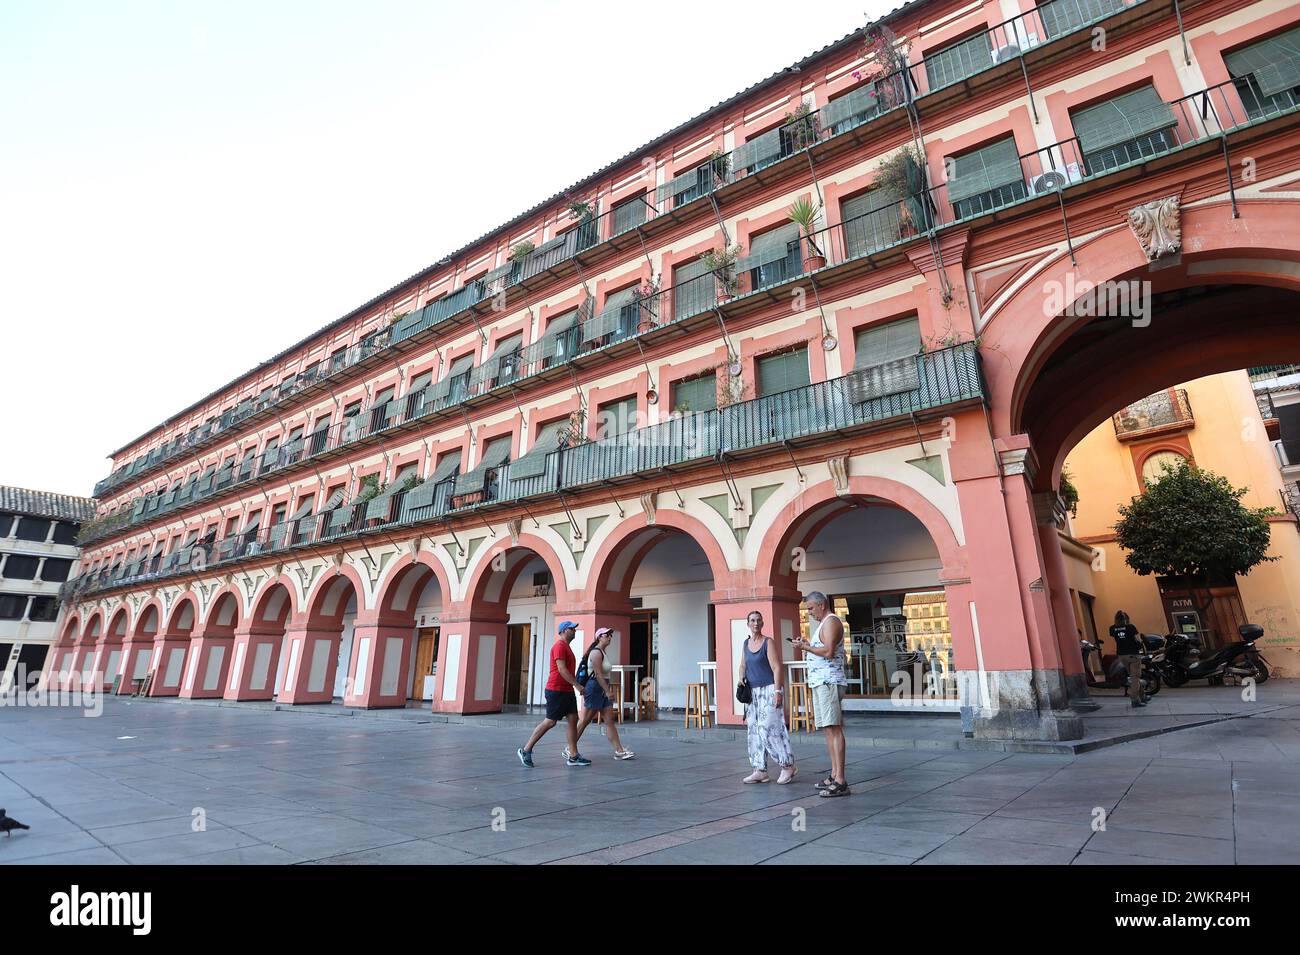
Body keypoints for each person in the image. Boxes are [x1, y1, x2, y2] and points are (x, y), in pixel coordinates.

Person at [792, 591, 849, 797]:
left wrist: (805, 647)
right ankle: (834, 774)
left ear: (822, 605)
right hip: (821, 683)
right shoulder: (823, 624)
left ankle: (841, 780)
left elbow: (829, 652)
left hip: (829, 682)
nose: (809, 613)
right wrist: (808, 644)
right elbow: (823, 648)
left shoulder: (831, 622)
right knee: (827, 729)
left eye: (810, 608)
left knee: (834, 728)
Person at [518, 621, 591, 767]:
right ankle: (526, 749)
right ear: (564, 631)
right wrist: (577, 684)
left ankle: (573, 755)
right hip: (556, 689)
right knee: (551, 721)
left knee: (573, 719)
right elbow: (562, 669)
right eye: (572, 629)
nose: (574, 631)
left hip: (566, 690)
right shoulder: (559, 646)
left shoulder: (566, 647)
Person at [736, 610, 796, 784]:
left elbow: (777, 668)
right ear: (748, 624)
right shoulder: (745, 644)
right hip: (753, 693)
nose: (755, 623)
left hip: (769, 689)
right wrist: (741, 676)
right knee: (754, 730)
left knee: (768, 728)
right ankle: (759, 769)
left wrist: (778, 692)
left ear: (762, 624)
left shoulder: (768, 642)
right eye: (752, 620)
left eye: (759, 621)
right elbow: (742, 665)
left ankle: (787, 765)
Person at [574, 627, 636, 760]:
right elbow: (597, 674)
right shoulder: (596, 652)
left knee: (609, 721)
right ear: (599, 637)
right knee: (585, 720)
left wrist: (607, 689)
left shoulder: (602, 652)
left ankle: (619, 750)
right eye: (606, 635)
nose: (609, 637)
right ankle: (570, 748)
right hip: (595, 688)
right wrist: (608, 691)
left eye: (610, 635)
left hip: (602, 688)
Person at [1109, 610, 1147, 708]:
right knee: (1135, 678)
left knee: (1133, 676)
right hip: (1133, 654)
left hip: (1122, 656)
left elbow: (1116, 637)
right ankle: (1135, 699)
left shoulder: (1112, 628)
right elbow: (1138, 640)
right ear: (1127, 618)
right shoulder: (1131, 627)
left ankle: (1143, 696)